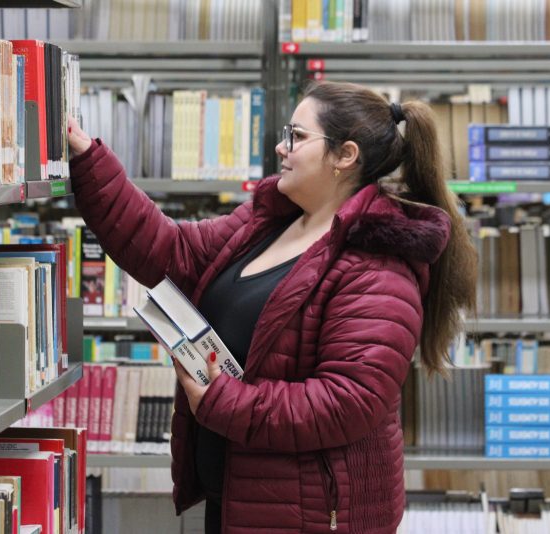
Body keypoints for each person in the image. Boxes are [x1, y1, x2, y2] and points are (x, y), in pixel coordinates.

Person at [68, 80, 477, 533]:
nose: (282, 147)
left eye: (298, 137)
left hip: (310, 518)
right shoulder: (268, 223)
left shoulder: (377, 265)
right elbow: (170, 249)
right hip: (241, 500)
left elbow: (348, 401)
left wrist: (224, 402)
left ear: (345, 156)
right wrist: (89, 160)